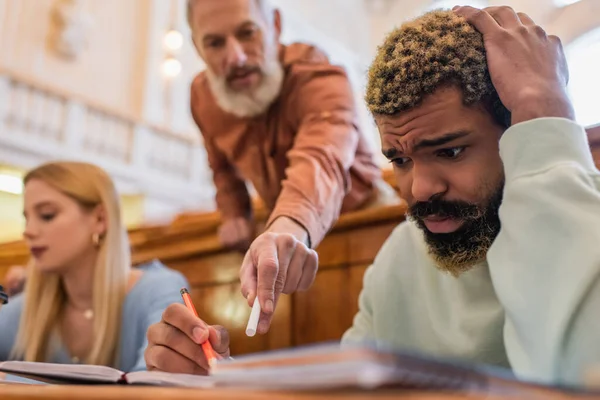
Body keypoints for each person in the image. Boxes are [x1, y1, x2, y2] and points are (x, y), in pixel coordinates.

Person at [144, 6, 600, 386]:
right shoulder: (399, 255)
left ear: (516, 129)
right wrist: (217, 380)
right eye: (399, 160)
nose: (419, 190)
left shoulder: (318, 77)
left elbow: (323, 155)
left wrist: (545, 108)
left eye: (451, 150)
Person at [187, 0, 396, 333]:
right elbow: (222, 169)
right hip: (281, 229)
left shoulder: (320, 75)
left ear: (276, 27)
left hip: (365, 216)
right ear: (198, 48)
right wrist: (233, 214)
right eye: (215, 43)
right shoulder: (202, 97)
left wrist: (288, 226)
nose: (236, 57)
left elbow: (322, 159)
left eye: (247, 33)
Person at [0, 161, 188, 372]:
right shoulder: (30, 306)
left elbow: (160, 379)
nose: (28, 231)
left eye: (47, 215)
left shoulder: (158, 290)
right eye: (27, 218)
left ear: (100, 219)